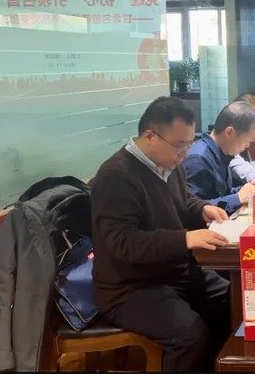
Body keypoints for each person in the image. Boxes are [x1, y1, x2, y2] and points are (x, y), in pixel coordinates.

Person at [91, 96, 232, 372]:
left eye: (189, 144)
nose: (185, 154)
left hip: (173, 272)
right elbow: (123, 242)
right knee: (189, 335)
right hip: (130, 287)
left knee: (233, 301)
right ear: (149, 136)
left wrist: (202, 209)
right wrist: (185, 239)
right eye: (180, 146)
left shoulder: (170, 164)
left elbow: (183, 201)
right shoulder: (116, 176)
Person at [184, 101, 255, 215]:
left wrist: (246, 189)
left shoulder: (222, 152)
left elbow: (220, 193)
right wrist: (238, 198)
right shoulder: (198, 160)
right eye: (248, 140)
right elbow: (193, 209)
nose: (247, 146)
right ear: (229, 132)